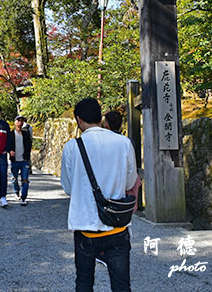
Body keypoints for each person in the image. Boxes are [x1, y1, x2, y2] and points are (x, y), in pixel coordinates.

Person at [61, 98, 138, 292]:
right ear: (100, 117)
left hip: (86, 228)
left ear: (79, 120)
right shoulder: (123, 143)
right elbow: (130, 182)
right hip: (117, 227)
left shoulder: (72, 147)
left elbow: (69, 188)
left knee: (84, 282)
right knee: (121, 285)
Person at [9, 115, 32, 205]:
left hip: (24, 160)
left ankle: (23, 197)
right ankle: (16, 191)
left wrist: (28, 157)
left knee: (25, 179)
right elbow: (8, 145)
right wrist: (10, 150)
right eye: (18, 120)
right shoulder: (11, 134)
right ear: (15, 122)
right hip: (14, 161)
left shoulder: (26, 134)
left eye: (22, 121)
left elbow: (29, 145)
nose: (20, 122)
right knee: (14, 178)